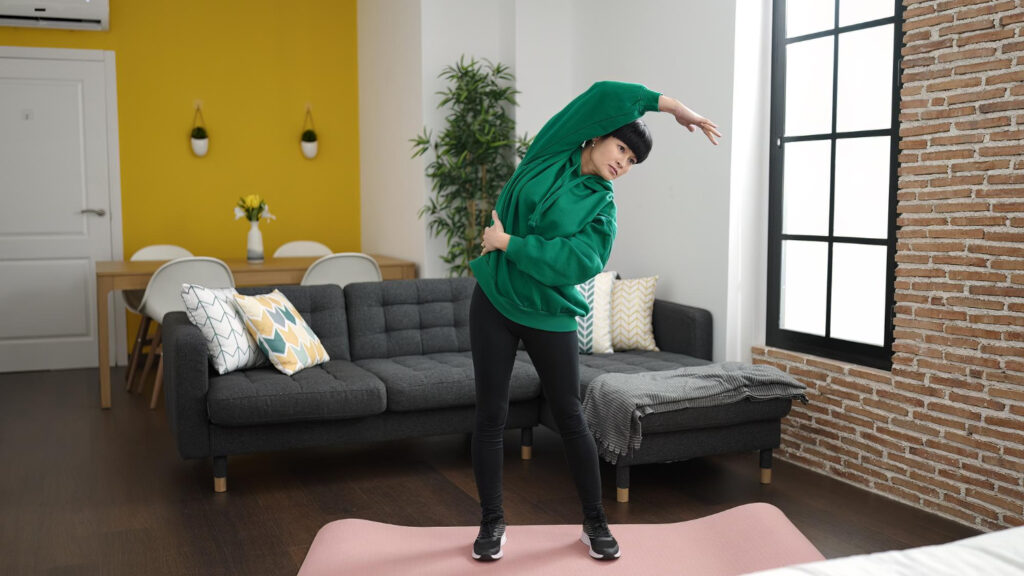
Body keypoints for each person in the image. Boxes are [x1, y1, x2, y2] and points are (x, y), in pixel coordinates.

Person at [468, 81, 721, 562]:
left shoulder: (604, 206)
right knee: (489, 416)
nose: (622, 163)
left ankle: (595, 522)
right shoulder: (549, 153)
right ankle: (492, 522)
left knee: (570, 416)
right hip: (495, 301)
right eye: (621, 148)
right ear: (598, 136)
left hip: (552, 313)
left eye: (631, 162)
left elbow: (578, 261)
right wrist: (672, 108)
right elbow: (604, 93)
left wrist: (509, 245)